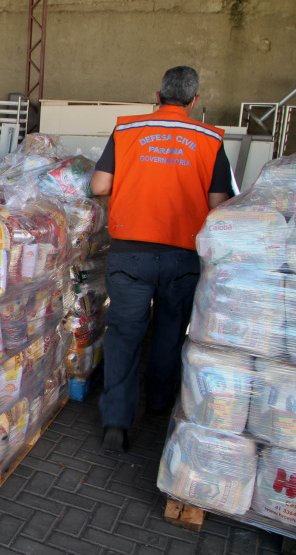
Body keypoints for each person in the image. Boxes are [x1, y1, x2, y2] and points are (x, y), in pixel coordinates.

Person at [89, 66, 233, 453]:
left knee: (124, 334)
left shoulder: (127, 130)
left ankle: (116, 423)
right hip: (181, 256)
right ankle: (156, 405)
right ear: (195, 101)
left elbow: (99, 185)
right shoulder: (211, 139)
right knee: (170, 332)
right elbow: (220, 206)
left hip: (129, 254)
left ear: (157, 95)